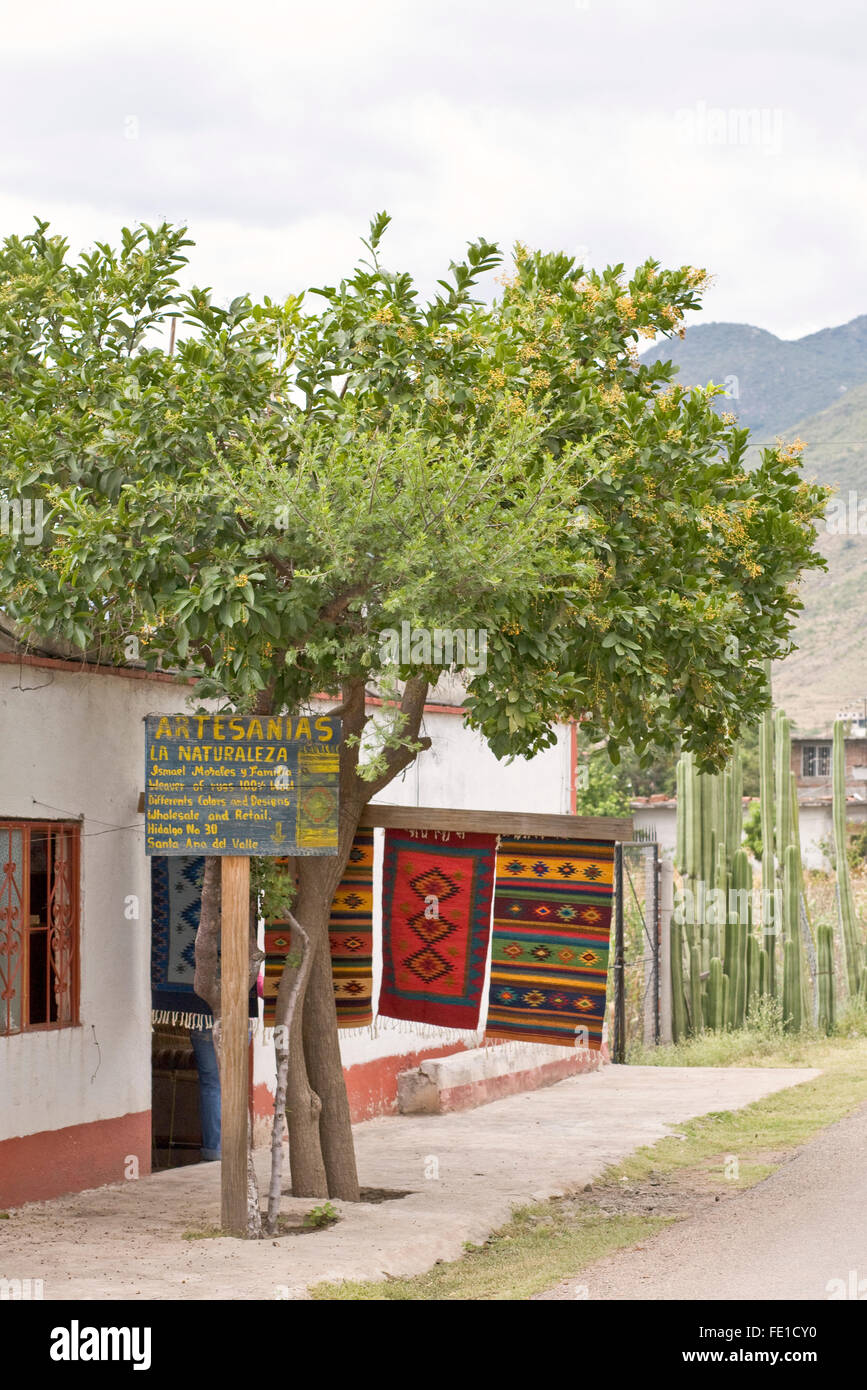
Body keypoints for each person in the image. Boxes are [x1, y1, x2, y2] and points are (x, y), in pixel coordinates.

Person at [189, 1027, 221, 1161]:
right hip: (239, 1022)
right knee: (232, 1084)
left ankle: (215, 1151)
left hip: (203, 1022)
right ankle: (234, 1146)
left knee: (211, 1086)